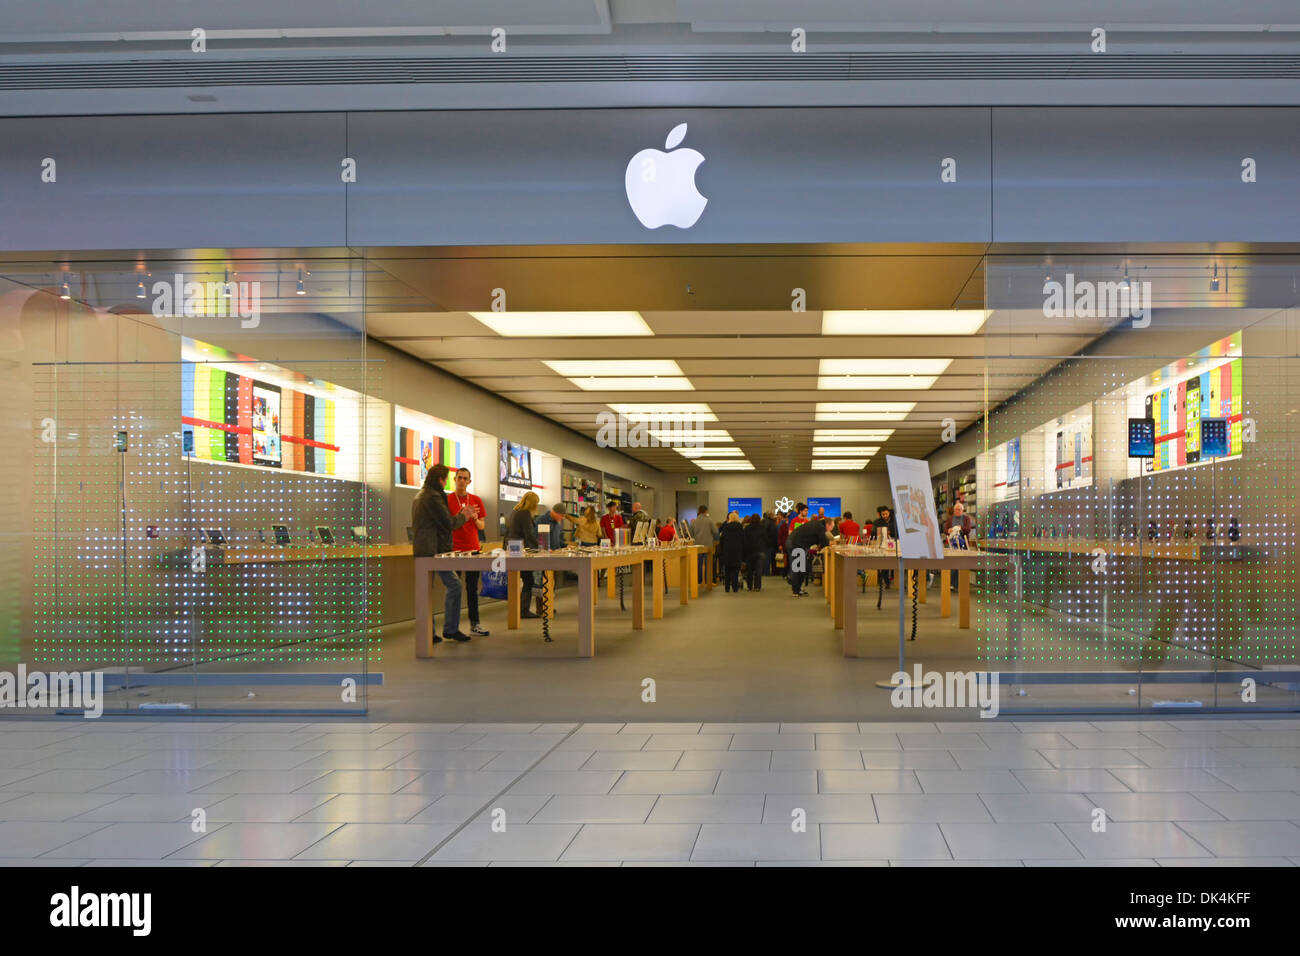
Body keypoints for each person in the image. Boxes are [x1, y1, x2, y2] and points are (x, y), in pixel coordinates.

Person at [412, 463, 479, 642]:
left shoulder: (422, 495)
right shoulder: (432, 497)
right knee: (453, 585)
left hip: (426, 549)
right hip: (434, 552)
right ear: (441, 479)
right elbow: (448, 523)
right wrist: (464, 515)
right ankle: (447, 629)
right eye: (448, 478)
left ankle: (431, 632)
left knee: (428, 590)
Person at [447, 466, 490, 636]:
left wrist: (474, 518)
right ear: (454, 479)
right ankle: (453, 627)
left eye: (465, 478)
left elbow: (481, 526)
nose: (462, 481)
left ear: (469, 481)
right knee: (454, 589)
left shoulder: (476, 499)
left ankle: (475, 624)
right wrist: (460, 515)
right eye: (459, 478)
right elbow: (446, 523)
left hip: (473, 549)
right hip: (454, 550)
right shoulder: (447, 499)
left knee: (472, 588)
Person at [504, 492, 541, 619]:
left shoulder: (515, 511)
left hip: (511, 548)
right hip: (520, 550)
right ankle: (523, 610)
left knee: (517, 579)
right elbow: (529, 534)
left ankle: (518, 609)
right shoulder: (525, 514)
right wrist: (540, 548)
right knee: (528, 579)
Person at [788, 516, 832, 596]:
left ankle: (797, 589)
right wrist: (827, 544)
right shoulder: (820, 527)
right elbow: (825, 541)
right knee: (798, 568)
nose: (830, 530)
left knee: (800, 568)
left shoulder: (817, 524)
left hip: (794, 543)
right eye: (831, 527)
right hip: (796, 544)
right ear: (827, 524)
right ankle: (796, 590)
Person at [717, 510, 746, 593]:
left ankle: (727, 587)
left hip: (727, 551)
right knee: (736, 570)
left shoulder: (725, 527)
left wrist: (722, 550)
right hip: (737, 551)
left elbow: (722, 540)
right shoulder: (740, 527)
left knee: (727, 570)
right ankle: (735, 587)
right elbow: (743, 540)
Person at [688, 506, 718, 583]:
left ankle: (699, 581)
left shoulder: (694, 522)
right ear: (706, 511)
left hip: (697, 546)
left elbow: (690, 534)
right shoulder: (709, 521)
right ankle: (707, 581)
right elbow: (715, 532)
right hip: (708, 545)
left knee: (698, 564)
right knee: (708, 564)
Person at [872, 504, 899, 588]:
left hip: (895, 544)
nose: (885, 516)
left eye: (886, 514)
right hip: (883, 545)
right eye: (883, 514)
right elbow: (873, 532)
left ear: (889, 512)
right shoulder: (877, 522)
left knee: (897, 563)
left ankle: (897, 581)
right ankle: (887, 582)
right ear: (880, 514)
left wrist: (891, 532)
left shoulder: (895, 520)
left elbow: (899, 532)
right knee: (885, 564)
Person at [742, 513, 767, 591]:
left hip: (749, 552)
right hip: (760, 551)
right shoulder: (763, 528)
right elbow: (766, 539)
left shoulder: (747, 528)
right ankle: (757, 586)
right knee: (758, 570)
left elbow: (744, 541)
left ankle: (750, 586)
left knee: (749, 569)